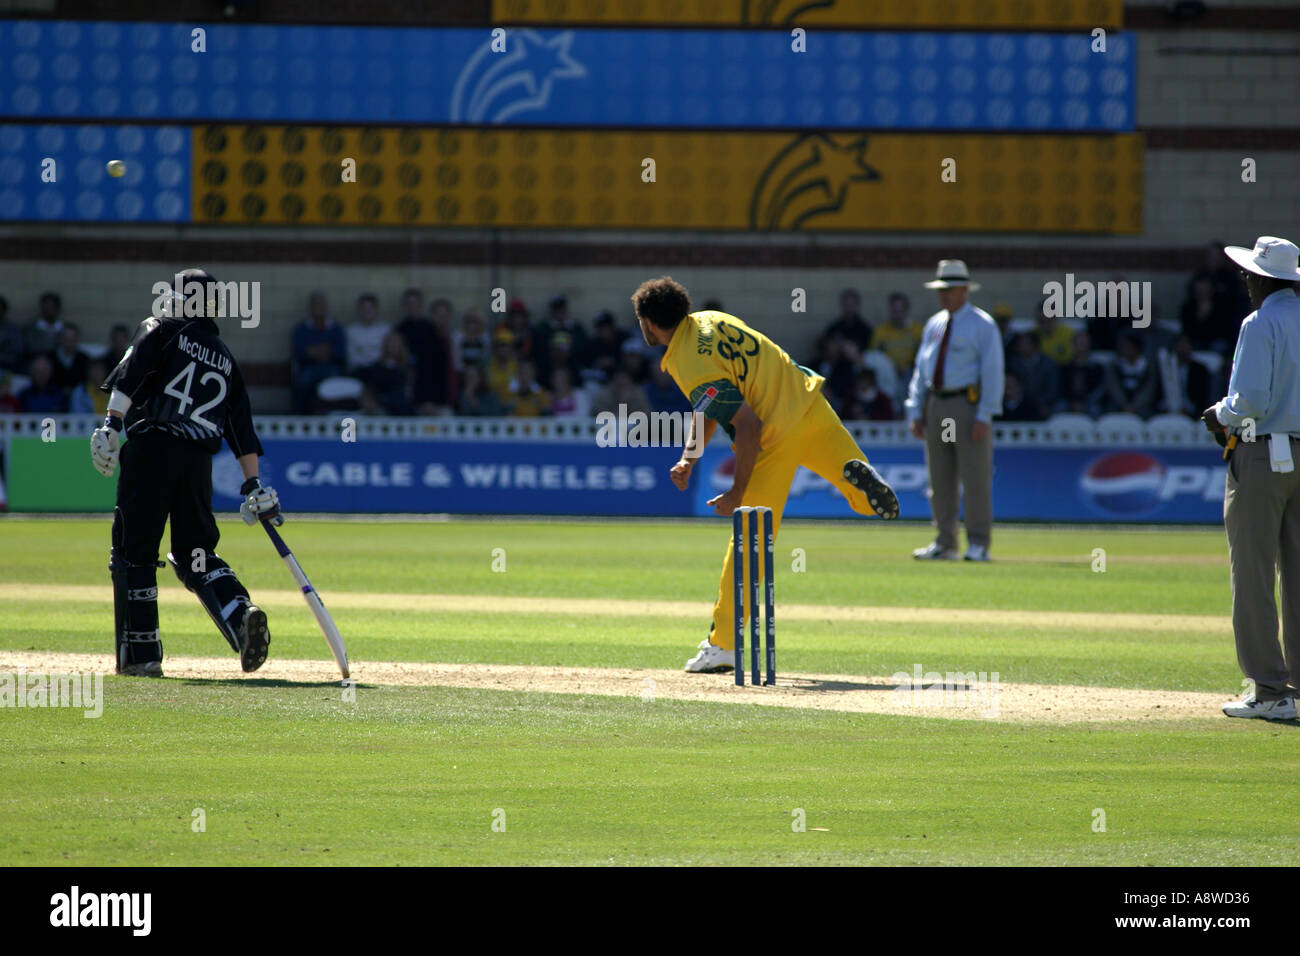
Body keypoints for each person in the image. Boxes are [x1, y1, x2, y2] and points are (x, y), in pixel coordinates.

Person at [631, 276, 898, 675]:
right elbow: (709, 407)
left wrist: (737, 492)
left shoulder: (687, 362)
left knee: (749, 542)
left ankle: (723, 645)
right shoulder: (710, 319)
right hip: (807, 399)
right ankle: (854, 480)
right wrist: (689, 458)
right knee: (857, 489)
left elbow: (748, 426)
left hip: (772, 436)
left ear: (649, 323)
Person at [89, 268, 280, 678]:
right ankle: (239, 611)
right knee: (196, 553)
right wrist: (252, 485)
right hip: (196, 464)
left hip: (151, 451)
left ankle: (141, 655)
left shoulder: (160, 328)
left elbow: (131, 373)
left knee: (133, 552)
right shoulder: (226, 358)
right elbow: (240, 430)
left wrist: (111, 425)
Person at [1200, 237, 1300, 720]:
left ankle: (1269, 689)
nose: (1245, 281)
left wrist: (1218, 414)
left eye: (1249, 275)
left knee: (1255, 574)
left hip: (1262, 455)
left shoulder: (1260, 323)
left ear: (1262, 278)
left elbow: (1250, 401)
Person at [904, 260, 1004, 562]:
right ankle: (945, 541)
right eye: (941, 290)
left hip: (965, 405)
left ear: (964, 290)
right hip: (937, 404)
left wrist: (985, 413)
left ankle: (978, 542)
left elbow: (993, 371)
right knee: (940, 477)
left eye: (949, 289)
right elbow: (922, 369)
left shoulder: (981, 325)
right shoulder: (934, 324)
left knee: (975, 477)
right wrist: (915, 409)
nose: (944, 295)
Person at [394, 288, 451, 414]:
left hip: (431, 398)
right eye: (408, 304)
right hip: (406, 393)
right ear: (404, 306)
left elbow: (438, 370)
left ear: (421, 306)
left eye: (415, 304)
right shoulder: (399, 330)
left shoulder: (432, 331)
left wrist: (432, 400)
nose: (411, 308)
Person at [290, 292, 346, 413]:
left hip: (331, 367)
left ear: (326, 307)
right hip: (308, 368)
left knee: (334, 381)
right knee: (303, 381)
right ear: (309, 308)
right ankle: (301, 417)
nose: (318, 309)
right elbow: (300, 353)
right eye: (315, 305)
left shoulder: (336, 329)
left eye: (321, 305)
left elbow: (339, 353)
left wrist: (314, 351)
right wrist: (324, 350)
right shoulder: (300, 329)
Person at [1104, 333, 1158, 417]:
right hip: (1119, 405)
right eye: (1123, 346)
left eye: (1128, 346)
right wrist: (1124, 405)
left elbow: (1148, 391)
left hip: (1142, 406)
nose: (1124, 349)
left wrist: (1135, 406)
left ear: (1137, 348)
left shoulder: (1149, 368)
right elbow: (1114, 387)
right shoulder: (1114, 366)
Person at [1058, 331, 1106, 417]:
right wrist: (1072, 402)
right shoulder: (1064, 367)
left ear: (1089, 345)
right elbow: (1061, 388)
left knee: (1095, 410)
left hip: (1089, 402)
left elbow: (1100, 389)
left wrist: (1085, 402)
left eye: (1084, 343)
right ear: (1072, 345)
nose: (1081, 346)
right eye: (1078, 343)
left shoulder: (1097, 368)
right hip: (1069, 402)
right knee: (1058, 408)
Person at [346, 293, 389, 372]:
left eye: (370, 308)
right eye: (364, 309)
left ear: (376, 309)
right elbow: (351, 356)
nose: (367, 312)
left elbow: (387, 355)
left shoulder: (385, 330)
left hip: (380, 370)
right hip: (358, 370)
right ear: (359, 310)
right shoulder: (351, 331)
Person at [48, 323, 89, 393]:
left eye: (72, 340)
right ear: (60, 339)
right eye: (66, 339)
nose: (69, 343)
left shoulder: (84, 359)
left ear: (77, 340)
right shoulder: (49, 358)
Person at [25, 291, 63, 359]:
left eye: (52, 307)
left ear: (58, 308)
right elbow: (30, 348)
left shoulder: (65, 329)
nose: (49, 310)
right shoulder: (31, 329)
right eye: (46, 307)